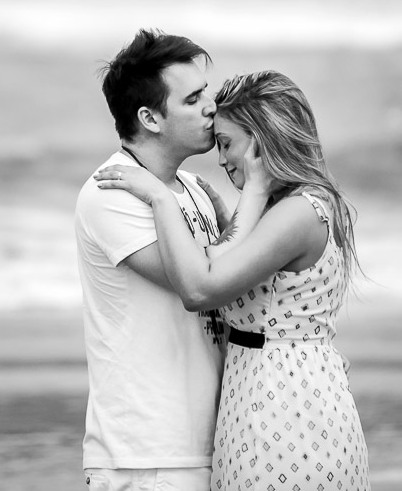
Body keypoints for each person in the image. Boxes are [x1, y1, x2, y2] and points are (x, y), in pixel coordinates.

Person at [95, 70, 370, 491]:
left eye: (226, 144)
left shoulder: (296, 214)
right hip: (262, 396)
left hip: (283, 407)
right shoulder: (288, 209)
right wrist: (236, 215)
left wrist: (159, 197)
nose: (221, 159)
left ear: (262, 141)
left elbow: (202, 287)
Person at [74, 29, 233, 491]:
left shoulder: (192, 190)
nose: (211, 108)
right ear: (150, 117)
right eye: (194, 99)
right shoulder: (113, 192)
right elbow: (199, 285)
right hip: (144, 455)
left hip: (204, 443)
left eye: (208, 93)